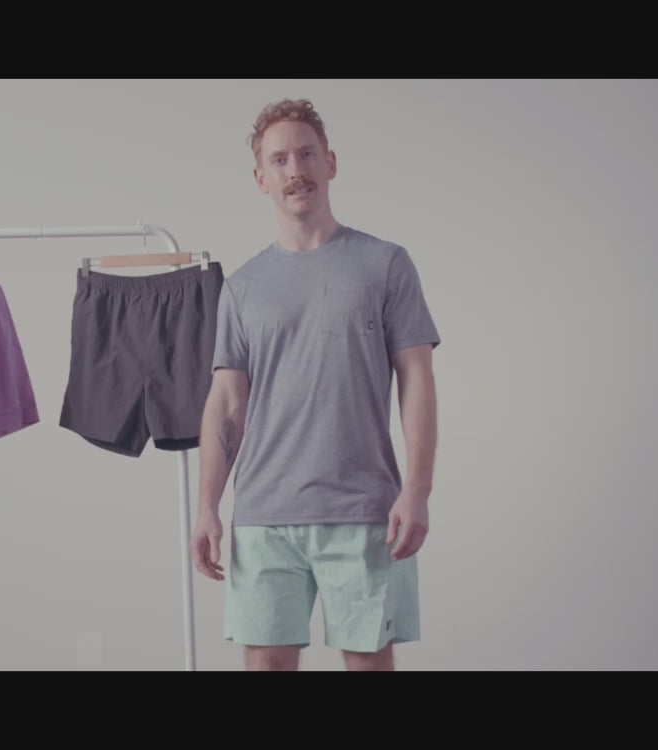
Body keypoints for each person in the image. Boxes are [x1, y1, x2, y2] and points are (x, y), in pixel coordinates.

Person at [189, 98, 441, 671]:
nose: (294, 169)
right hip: (264, 514)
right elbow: (226, 402)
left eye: (306, 154)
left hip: (365, 509)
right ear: (261, 178)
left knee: (368, 666)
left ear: (330, 163)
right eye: (279, 160)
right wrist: (207, 507)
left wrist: (418, 489)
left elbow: (418, 381)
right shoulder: (244, 286)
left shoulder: (385, 264)